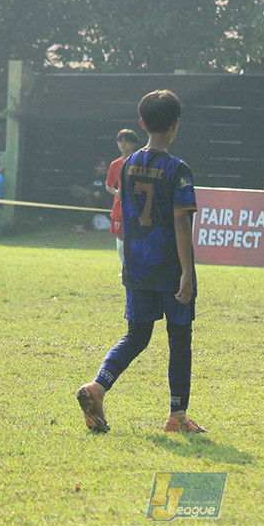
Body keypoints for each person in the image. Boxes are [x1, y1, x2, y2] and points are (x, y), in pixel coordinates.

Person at [77, 89, 205, 434]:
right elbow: (181, 222)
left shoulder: (128, 165)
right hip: (170, 267)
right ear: (175, 125)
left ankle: (97, 387)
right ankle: (177, 415)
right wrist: (187, 273)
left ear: (142, 123)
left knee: (137, 335)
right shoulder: (178, 169)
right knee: (179, 337)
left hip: (136, 266)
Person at [105, 129, 139, 266]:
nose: (123, 144)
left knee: (137, 234)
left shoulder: (139, 162)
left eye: (127, 141)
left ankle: (136, 264)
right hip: (120, 205)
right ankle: (124, 266)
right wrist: (116, 193)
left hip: (137, 203)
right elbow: (108, 185)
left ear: (134, 143)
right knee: (120, 235)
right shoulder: (115, 164)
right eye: (120, 141)